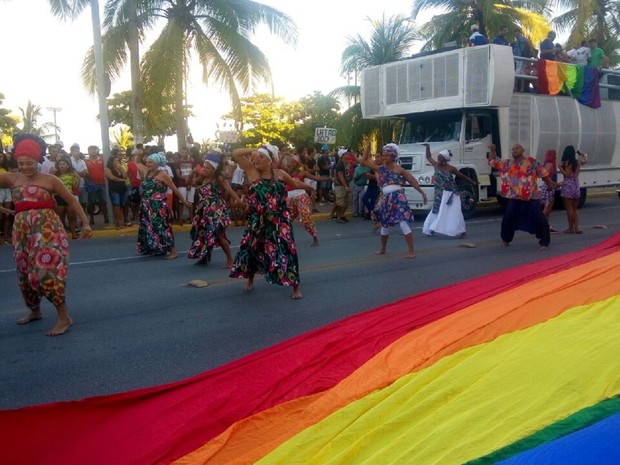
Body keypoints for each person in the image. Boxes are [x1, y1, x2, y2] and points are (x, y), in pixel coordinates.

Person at [0, 133, 92, 336]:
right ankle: (35, 311)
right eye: (21, 163)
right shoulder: (11, 178)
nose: (25, 167)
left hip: (48, 230)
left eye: (29, 163)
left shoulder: (50, 179)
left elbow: (73, 201)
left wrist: (85, 223)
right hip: (22, 232)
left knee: (46, 272)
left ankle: (63, 317)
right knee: (25, 273)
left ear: (37, 160)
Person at [229, 145, 309, 299]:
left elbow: (296, 184)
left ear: (270, 161)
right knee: (252, 250)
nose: (256, 159)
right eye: (256, 156)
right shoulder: (252, 173)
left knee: (288, 250)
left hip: (280, 220)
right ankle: (250, 279)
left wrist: (311, 189)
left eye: (261, 156)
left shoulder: (280, 174)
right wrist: (254, 149)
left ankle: (295, 287)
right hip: (258, 220)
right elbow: (236, 153)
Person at [361, 143, 428, 258]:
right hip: (386, 199)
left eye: (387, 155)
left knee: (403, 223)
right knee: (385, 224)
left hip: (398, 198)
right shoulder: (380, 169)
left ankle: (411, 251)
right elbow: (364, 161)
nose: (384, 157)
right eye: (383, 155)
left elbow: (412, 181)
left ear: (393, 156)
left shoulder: (400, 170)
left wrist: (422, 193)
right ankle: (382, 249)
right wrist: (368, 146)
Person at [488, 143, 557, 249]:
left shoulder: (532, 162)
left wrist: (550, 185)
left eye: (517, 148)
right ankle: (506, 238)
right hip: (515, 197)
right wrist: (493, 150)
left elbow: (544, 174)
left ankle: (544, 242)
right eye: (513, 149)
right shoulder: (508, 163)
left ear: (522, 150)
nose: (514, 150)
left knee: (539, 218)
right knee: (508, 217)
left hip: (531, 197)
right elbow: (493, 161)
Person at [188, 152, 241, 266]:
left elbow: (230, 190)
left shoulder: (218, 178)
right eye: (204, 167)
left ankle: (230, 259)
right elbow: (189, 183)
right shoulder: (202, 178)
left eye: (207, 168)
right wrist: (192, 173)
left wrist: (239, 202)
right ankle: (204, 257)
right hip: (203, 210)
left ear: (214, 168)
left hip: (216, 210)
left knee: (218, 235)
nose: (204, 169)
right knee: (203, 234)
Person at [135, 152, 190, 259]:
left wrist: (184, 201)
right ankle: (150, 247)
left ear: (157, 163)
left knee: (163, 227)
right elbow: (136, 162)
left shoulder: (163, 175)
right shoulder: (147, 172)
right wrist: (140, 153)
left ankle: (173, 252)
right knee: (147, 227)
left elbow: (174, 189)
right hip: (147, 205)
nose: (148, 164)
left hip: (158, 206)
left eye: (150, 162)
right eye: (147, 162)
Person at [421, 145, 476, 238]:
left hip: (451, 193)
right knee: (436, 211)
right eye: (438, 157)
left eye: (440, 157)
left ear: (445, 159)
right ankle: (430, 229)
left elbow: (461, 176)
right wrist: (428, 147)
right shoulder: (436, 165)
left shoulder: (451, 168)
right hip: (439, 194)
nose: (438, 159)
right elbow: (428, 157)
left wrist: (471, 182)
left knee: (455, 212)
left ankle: (461, 232)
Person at [282, 155, 322, 246]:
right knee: (286, 219)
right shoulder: (285, 173)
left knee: (305, 217)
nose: (291, 163)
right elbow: (277, 165)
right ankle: (286, 240)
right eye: (290, 162)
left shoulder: (302, 173)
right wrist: (285, 154)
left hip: (300, 196)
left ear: (297, 164)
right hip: (289, 198)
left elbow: (316, 178)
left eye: (293, 162)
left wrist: (328, 178)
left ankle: (315, 237)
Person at [559, 145, 588, 234]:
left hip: (568, 186)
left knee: (569, 209)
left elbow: (567, 175)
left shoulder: (567, 163)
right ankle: (577, 227)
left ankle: (571, 228)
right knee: (575, 208)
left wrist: (560, 168)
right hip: (576, 186)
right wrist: (583, 154)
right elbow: (585, 160)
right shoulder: (577, 162)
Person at [54, 157, 81, 239]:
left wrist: (78, 178)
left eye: (63, 164)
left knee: (72, 216)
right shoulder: (55, 175)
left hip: (69, 196)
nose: (61, 166)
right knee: (60, 217)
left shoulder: (72, 174)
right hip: (58, 196)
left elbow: (75, 186)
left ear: (68, 165)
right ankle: (63, 234)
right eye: (60, 164)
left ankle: (73, 233)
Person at [104, 150, 129, 230]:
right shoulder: (107, 168)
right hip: (114, 189)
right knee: (116, 205)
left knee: (122, 205)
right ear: (111, 162)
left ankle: (121, 221)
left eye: (117, 161)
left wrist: (121, 168)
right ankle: (118, 222)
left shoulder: (121, 167)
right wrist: (121, 180)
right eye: (115, 161)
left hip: (123, 188)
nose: (116, 162)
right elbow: (111, 177)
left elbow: (125, 176)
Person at [85, 145, 110, 225]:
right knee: (91, 202)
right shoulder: (86, 161)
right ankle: (91, 219)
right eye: (90, 150)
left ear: (97, 151)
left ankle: (106, 218)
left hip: (102, 183)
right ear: (88, 151)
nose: (92, 151)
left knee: (103, 201)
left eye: (94, 150)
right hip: (91, 185)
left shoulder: (102, 160)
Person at [539, 149, 559, 233]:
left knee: (548, 209)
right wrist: (555, 184)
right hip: (548, 188)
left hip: (547, 187)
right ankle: (538, 223)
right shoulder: (550, 165)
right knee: (547, 208)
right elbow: (545, 177)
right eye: (555, 155)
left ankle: (546, 226)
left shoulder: (546, 164)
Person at [512, 27, 534, 92]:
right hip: (521, 57)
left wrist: (530, 51)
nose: (516, 34)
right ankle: (521, 88)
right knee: (522, 73)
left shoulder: (522, 39)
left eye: (517, 32)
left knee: (517, 73)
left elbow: (529, 44)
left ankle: (515, 87)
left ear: (519, 32)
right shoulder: (518, 40)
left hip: (520, 58)